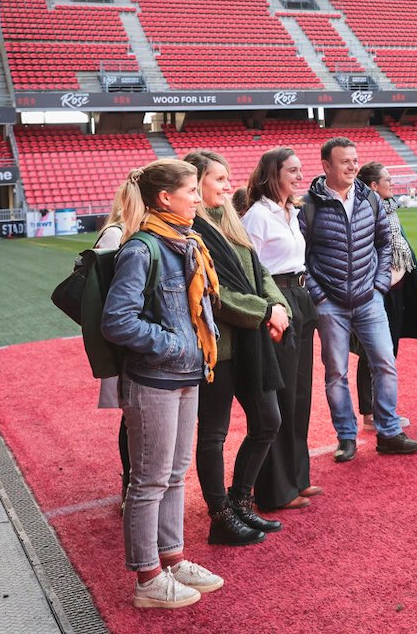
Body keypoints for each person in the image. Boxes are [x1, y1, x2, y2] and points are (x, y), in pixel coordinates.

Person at [100, 159, 224, 609]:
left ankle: (171, 559)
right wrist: (174, 345)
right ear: (164, 198)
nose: (197, 196)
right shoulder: (142, 248)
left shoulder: (186, 243)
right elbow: (117, 321)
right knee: (149, 480)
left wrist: (191, 352)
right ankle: (147, 577)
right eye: (191, 190)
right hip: (155, 377)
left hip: (186, 374)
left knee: (174, 475)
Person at [185, 151, 292, 547]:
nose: (228, 186)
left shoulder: (229, 220)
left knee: (268, 420)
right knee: (213, 434)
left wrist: (277, 305)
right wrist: (266, 311)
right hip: (218, 347)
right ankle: (220, 517)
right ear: (195, 183)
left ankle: (241, 500)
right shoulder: (188, 229)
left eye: (227, 179)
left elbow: (260, 270)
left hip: (252, 342)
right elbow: (213, 295)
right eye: (219, 179)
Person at [300, 137, 417, 460]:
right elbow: (301, 255)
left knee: (385, 363)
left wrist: (380, 284)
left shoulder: (370, 199)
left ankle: (388, 431)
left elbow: (385, 243)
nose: (353, 165)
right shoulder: (309, 205)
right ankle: (346, 436)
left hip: (369, 298)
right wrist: (319, 296)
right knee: (335, 372)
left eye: (355, 160)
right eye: (345, 161)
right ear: (326, 166)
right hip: (331, 304)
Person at [241, 147, 322, 511]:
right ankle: (275, 490)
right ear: (273, 173)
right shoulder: (257, 216)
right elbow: (249, 272)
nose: (299, 176)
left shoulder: (291, 211)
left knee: (300, 396)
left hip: (300, 297)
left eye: (300, 170)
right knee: (283, 398)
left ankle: (296, 479)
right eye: (292, 170)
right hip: (278, 302)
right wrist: (272, 309)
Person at [354, 162, 417, 425]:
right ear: (374, 185)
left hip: (395, 288)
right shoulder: (368, 211)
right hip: (380, 289)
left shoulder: (388, 208)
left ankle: (379, 409)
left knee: (386, 350)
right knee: (374, 352)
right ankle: (373, 412)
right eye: (387, 179)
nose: (393, 183)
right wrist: (387, 278)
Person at [94, 180, 140, 510]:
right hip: (127, 343)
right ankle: (129, 481)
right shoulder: (116, 234)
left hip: (139, 341)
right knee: (131, 417)